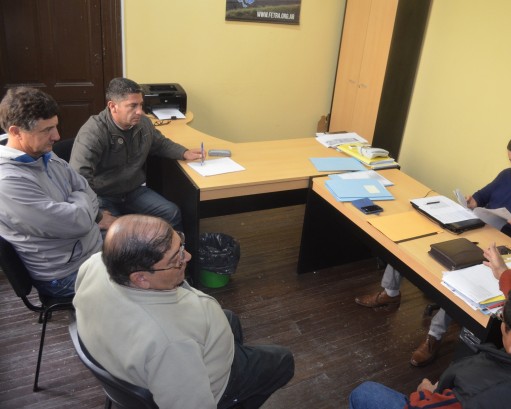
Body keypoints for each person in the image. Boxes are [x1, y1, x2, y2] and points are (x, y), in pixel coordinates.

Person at [355, 133, 511, 366]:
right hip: (482, 232)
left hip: (506, 250)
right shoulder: (507, 175)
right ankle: (390, 292)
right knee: (412, 241)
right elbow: (483, 195)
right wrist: (472, 201)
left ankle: (434, 336)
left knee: (460, 280)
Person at [348, 244, 511, 409]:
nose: (501, 318)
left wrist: (426, 394)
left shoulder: (480, 396)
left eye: (503, 320)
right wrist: (502, 273)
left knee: (365, 393)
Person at [74, 214, 294, 409]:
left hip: (127, 355)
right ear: (141, 278)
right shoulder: (170, 342)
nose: (187, 256)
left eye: (180, 245)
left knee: (229, 318)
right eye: (175, 259)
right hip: (196, 383)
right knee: (283, 360)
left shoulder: (95, 264)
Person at [0, 87, 112, 297]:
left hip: (90, 248)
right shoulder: (7, 182)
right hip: (64, 273)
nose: (57, 136)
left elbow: (85, 188)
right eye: (47, 130)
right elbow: (77, 222)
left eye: (55, 126)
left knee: (147, 247)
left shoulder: (43, 153)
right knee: (141, 280)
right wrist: (79, 199)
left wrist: (77, 202)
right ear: (15, 132)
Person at [69, 77, 202, 232]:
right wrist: (96, 214)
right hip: (103, 196)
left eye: (140, 105)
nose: (140, 111)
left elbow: (160, 143)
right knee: (116, 233)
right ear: (113, 106)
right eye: (133, 106)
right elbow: (79, 177)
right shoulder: (93, 132)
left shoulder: (143, 123)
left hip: (133, 191)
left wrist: (184, 152)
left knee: (171, 213)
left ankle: (177, 247)